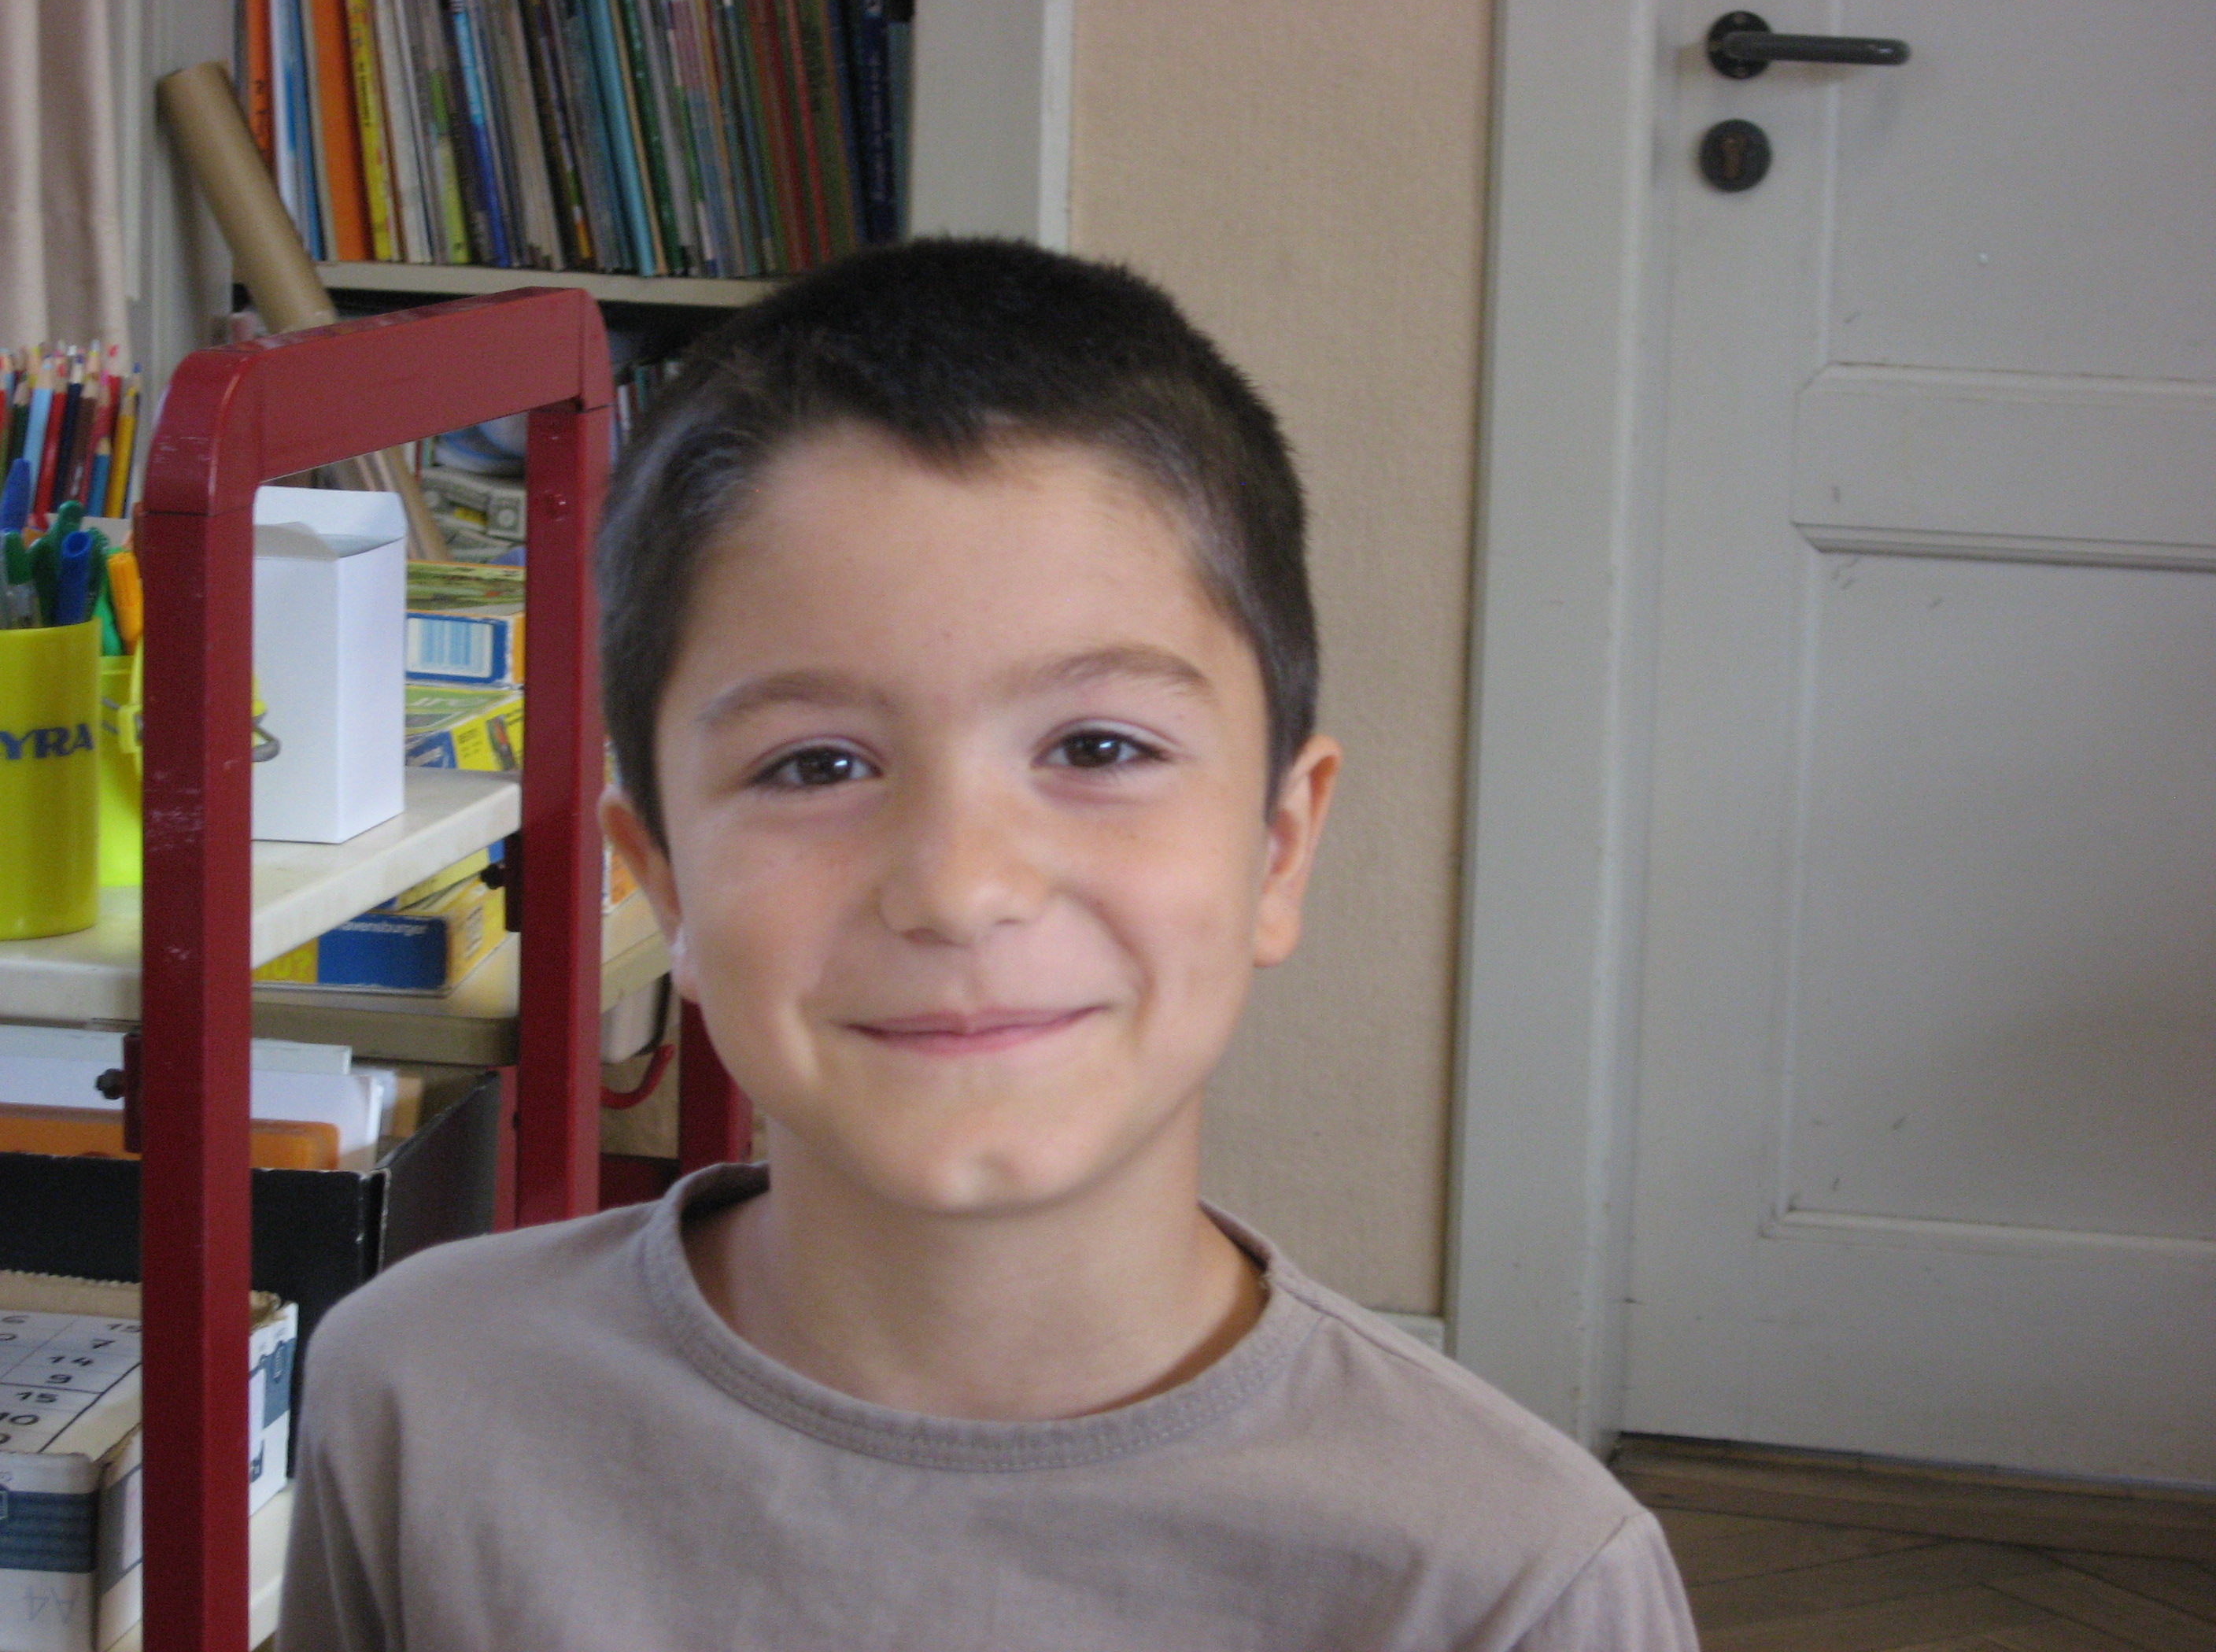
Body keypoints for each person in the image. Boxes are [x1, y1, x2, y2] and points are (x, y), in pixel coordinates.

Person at [279, 238, 1698, 1651]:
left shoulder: (1514, 1583)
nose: (959, 890)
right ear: (664, 890)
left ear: (1278, 846)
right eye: (817, 765)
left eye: (1099, 747)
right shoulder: (421, 1401)